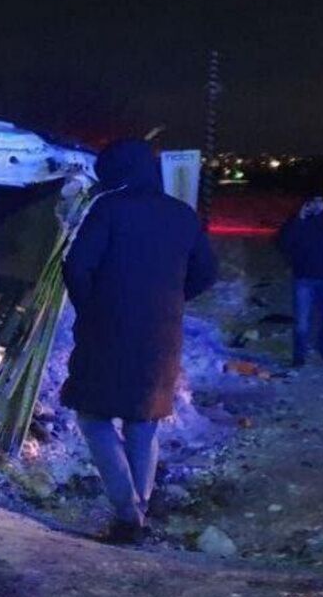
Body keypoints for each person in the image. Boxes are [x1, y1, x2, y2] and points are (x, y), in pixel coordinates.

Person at [61, 139, 217, 544]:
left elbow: (77, 265)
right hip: (161, 337)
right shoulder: (183, 215)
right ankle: (138, 510)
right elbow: (206, 272)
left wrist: (90, 306)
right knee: (142, 423)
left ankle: (127, 510)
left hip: (108, 330)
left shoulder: (110, 209)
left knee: (93, 416)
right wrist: (171, 301)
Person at [277, 194, 323, 365]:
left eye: (320, 201)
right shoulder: (297, 221)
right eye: (313, 201)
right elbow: (284, 243)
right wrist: (299, 220)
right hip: (304, 278)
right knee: (301, 321)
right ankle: (299, 354)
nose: (317, 205)